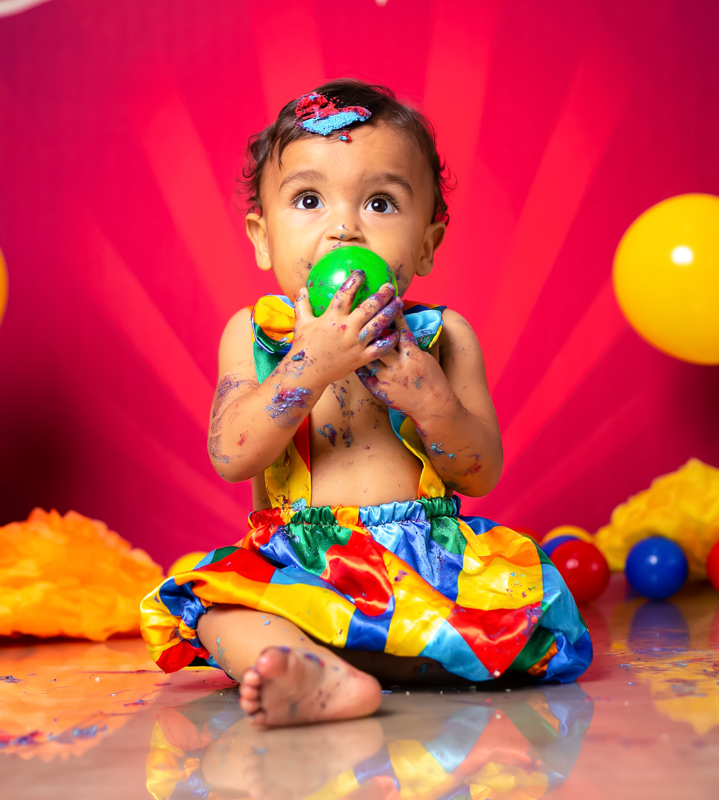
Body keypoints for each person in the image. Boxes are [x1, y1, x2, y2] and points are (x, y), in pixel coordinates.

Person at [140, 79, 591, 727]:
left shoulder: (441, 338)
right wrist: (308, 363)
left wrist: (430, 399)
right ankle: (314, 671)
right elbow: (232, 455)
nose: (345, 226)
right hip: (302, 572)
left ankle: (383, 658)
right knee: (214, 610)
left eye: (380, 202)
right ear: (262, 238)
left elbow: (480, 472)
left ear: (429, 241)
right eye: (308, 200)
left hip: (423, 565)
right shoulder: (257, 336)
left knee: (523, 609)